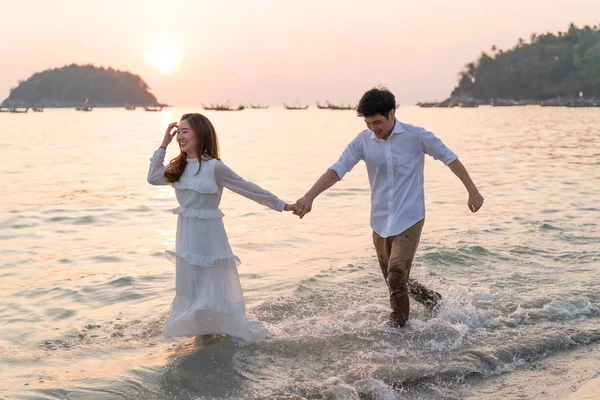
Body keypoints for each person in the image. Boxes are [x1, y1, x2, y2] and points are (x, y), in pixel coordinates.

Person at [294, 87, 484, 327]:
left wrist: (472, 190)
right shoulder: (363, 142)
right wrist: (310, 196)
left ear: (392, 114)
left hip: (410, 216)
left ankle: (398, 331)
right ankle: (433, 300)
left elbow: (450, 158)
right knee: (395, 280)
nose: (374, 128)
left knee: (395, 274)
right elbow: (338, 169)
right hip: (380, 221)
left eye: (377, 122)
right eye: (368, 123)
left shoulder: (417, 136)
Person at [147, 113, 296, 343]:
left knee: (210, 291)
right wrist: (163, 144)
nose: (180, 137)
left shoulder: (214, 168)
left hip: (210, 238)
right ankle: (205, 338)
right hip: (187, 238)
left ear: (201, 134)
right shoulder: (178, 167)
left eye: (185, 131)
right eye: (179, 132)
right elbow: (153, 177)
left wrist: (282, 205)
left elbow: (247, 188)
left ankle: (210, 340)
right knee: (194, 289)